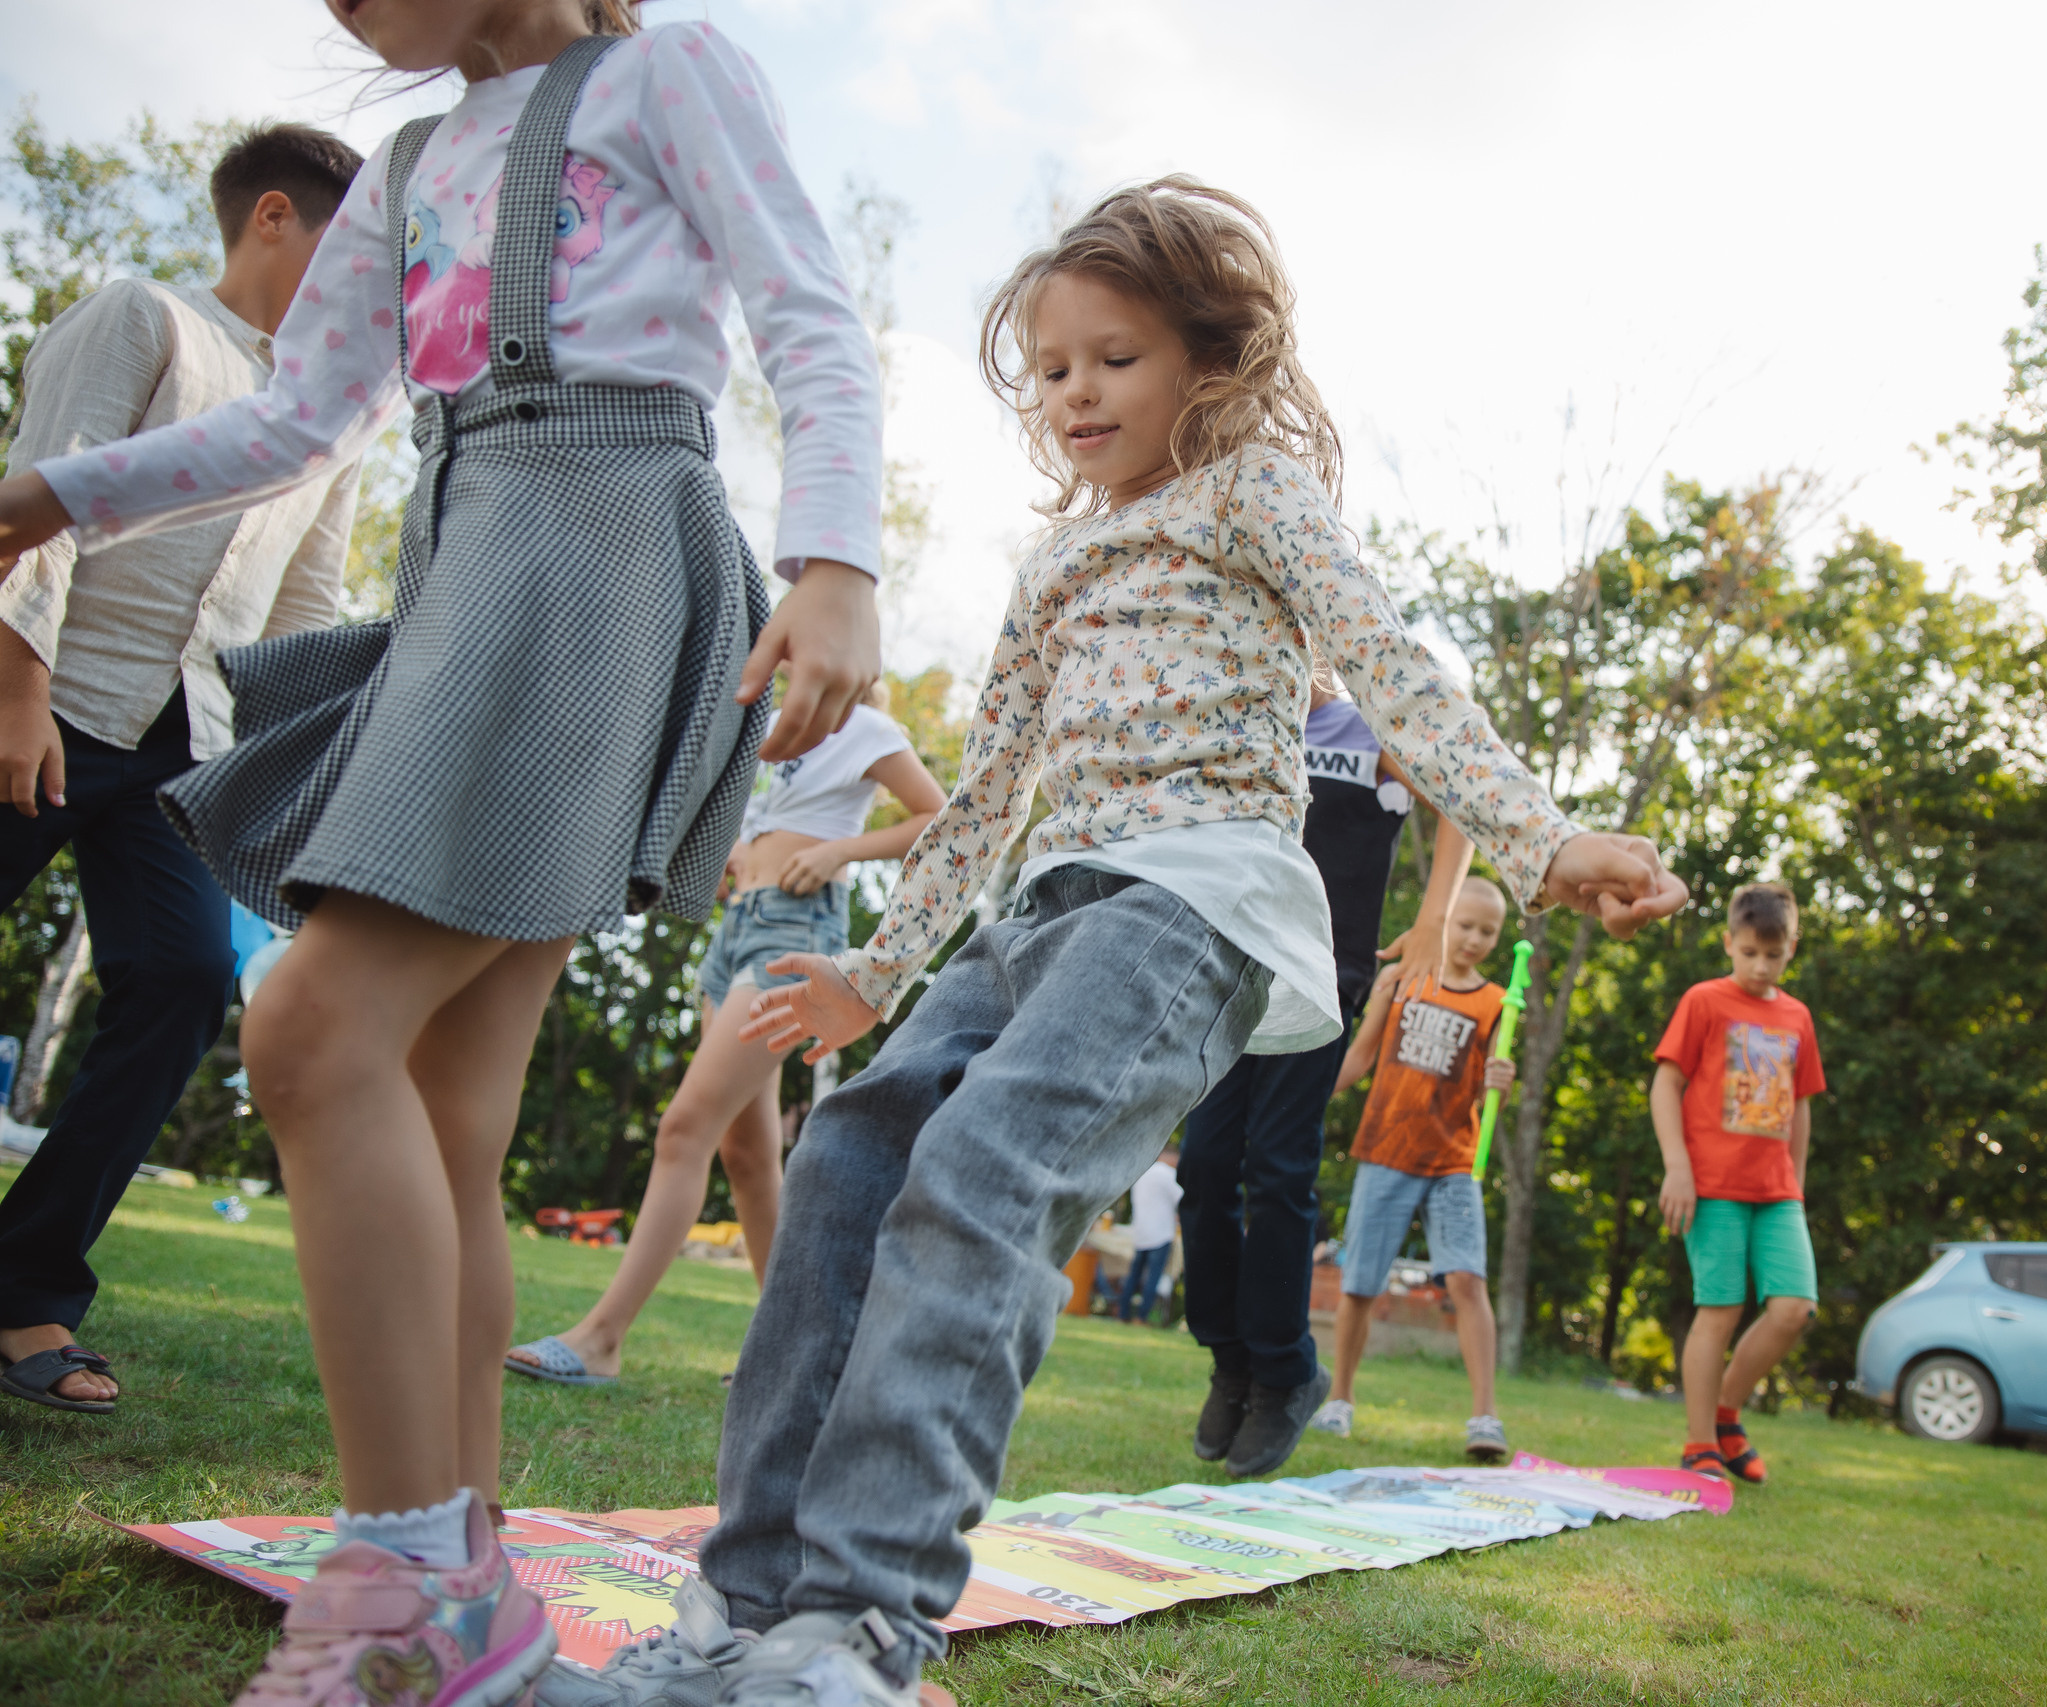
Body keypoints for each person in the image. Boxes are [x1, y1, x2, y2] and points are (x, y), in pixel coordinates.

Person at [547, 177, 1688, 1707]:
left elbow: (1392, 669)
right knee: (843, 1159)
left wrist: (1547, 839)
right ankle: (746, 1606)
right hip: (1042, 910)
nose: (1077, 391)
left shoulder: (1255, 495)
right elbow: (989, 796)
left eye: (1115, 357)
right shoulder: (1052, 567)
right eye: (1054, 367)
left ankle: (864, 1626)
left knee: (983, 1173)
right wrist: (873, 975)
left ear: (1208, 366)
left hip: (1191, 903)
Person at [0, 3, 885, 1702]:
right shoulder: (407, 168)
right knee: (445, 1107)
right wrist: (59, 493)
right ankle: (470, 1575)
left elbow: (809, 316)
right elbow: (291, 427)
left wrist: (836, 557)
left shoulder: (662, 74)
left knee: (314, 1024)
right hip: (465, 560)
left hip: (605, 549)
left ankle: (405, 1587)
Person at [0, 122, 366, 1417]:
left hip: (182, 751)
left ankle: (26, 1284)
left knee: (180, 977)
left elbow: (307, 607)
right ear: (274, 218)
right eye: (349, 248)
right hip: (45, 699)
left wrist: (302, 788)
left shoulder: (327, 418)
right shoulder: (142, 317)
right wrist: (20, 690)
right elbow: (39, 498)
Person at [507, 687, 944, 1386]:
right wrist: (734, 855)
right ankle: (787, 1353)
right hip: (736, 930)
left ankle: (601, 1337)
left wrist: (840, 852)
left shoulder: (866, 727)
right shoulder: (768, 729)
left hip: (793, 933)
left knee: (685, 1128)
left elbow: (939, 816)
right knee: (745, 1151)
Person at [1180, 683, 1477, 1476]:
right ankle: (1229, 1359)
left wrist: (1436, 917)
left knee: (1277, 1168)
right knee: (1206, 1164)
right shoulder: (1241, 713)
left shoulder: (1367, 724)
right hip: (1227, 966)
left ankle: (1284, 1372)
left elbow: (1457, 796)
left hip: (1319, 975)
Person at [1308, 876, 1517, 1462]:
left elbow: (1489, 1080)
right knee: (1360, 1283)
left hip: (1453, 1162)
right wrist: (1309, 1100)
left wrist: (1502, 1077)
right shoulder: (1402, 978)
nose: (1474, 939)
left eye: (1487, 931)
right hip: (1386, 1151)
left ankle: (1485, 1416)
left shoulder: (1498, 1002)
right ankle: (1340, 1400)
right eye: (1465, 925)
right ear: (1443, 921)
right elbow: (1361, 1052)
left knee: (1468, 1281)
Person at [1649, 882, 1826, 1486]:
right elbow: (1665, 1084)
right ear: (1729, 942)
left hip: (1778, 1193)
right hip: (1712, 1186)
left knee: (1793, 1309)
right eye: (1748, 951)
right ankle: (1700, 1443)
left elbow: (1799, 1106)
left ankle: (1726, 1413)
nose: (1759, 965)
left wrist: (1795, 1184)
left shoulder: (1796, 1016)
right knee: (1718, 1311)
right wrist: (1678, 1167)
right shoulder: (1704, 1000)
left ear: (1791, 950)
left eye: (1772, 956)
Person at [1113, 1146, 1180, 1325]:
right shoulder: (1168, 1174)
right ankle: (1141, 1317)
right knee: (1153, 1277)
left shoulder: (1142, 1174)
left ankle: (1123, 1313)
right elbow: (1182, 1200)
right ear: (1171, 1157)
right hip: (1161, 1233)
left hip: (1141, 1232)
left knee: (1134, 1275)